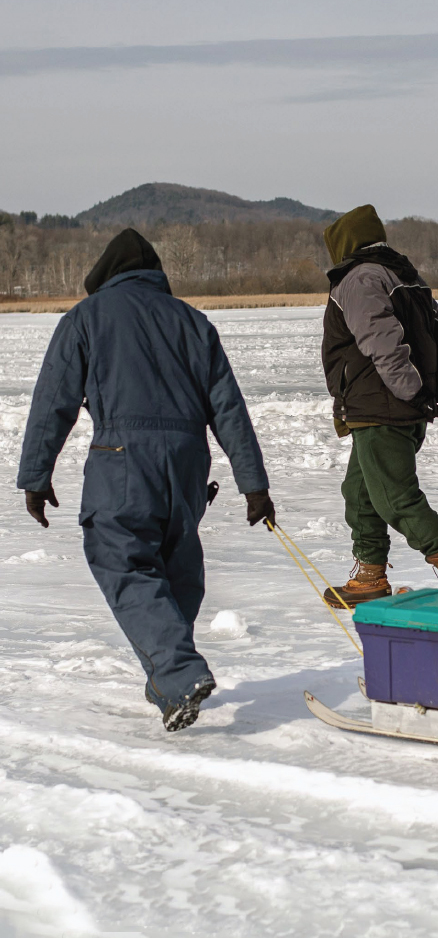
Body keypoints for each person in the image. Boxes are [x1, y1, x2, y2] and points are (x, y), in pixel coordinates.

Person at [17, 228, 275, 732]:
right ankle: (172, 677)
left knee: (125, 561)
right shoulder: (193, 322)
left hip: (122, 459)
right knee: (176, 568)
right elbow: (228, 410)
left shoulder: (86, 319)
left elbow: (54, 401)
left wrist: (36, 474)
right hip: (186, 464)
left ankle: (177, 672)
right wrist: (254, 485)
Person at [320, 204, 438, 607]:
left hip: (384, 404)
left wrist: (413, 391)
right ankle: (370, 575)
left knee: (393, 496)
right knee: (361, 489)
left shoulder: (359, 279)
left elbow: (382, 341)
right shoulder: (404, 275)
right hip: (394, 404)